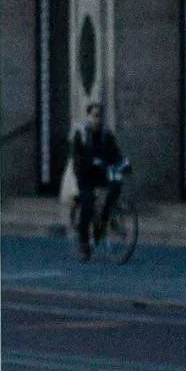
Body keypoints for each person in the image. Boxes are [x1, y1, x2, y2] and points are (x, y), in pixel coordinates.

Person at [68, 102, 125, 259]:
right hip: (85, 176)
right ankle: (83, 243)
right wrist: (90, 162)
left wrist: (124, 166)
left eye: (99, 116)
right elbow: (76, 158)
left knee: (115, 187)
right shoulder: (81, 134)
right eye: (94, 116)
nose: (97, 120)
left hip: (101, 174)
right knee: (87, 203)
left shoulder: (106, 134)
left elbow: (116, 153)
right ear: (88, 117)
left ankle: (104, 221)